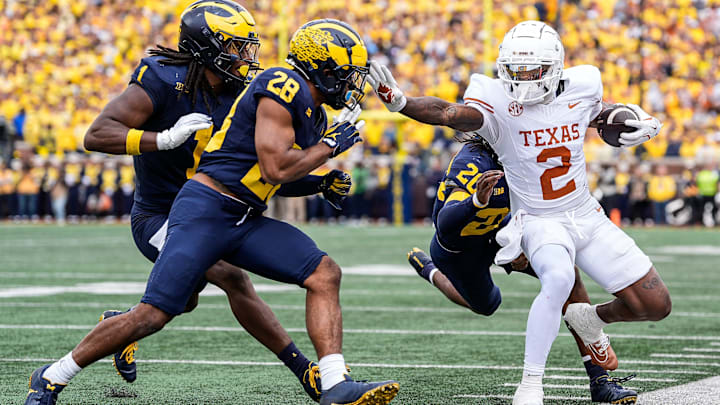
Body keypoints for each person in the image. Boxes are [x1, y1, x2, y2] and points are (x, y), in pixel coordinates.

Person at [26, 17, 399, 405]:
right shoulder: (280, 84)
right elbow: (274, 167)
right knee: (154, 314)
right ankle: (52, 377)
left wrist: (320, 180)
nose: (350, 85)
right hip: (203, 211)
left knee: (324, 274)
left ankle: (334, 384)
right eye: (345, 75)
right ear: (321, 67)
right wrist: (328, 148)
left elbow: (264, 173)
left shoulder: (311, 112)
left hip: (242, 216)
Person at [368, 20, 670, 405]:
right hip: (475, 240)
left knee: (577, 285)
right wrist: (402, 104)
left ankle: (598, 375)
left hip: (554, 218)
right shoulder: (478, 148)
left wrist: (630, 120)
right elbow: (449, 120)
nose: (524, 80)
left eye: (532, 71)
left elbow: (592, 113)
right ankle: (432, 273)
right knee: (491, 302)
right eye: (516, 72)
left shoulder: (578, 87)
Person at [406, 136, 636, 403]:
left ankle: (600, 380)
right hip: (459, 250)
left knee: (567, 275)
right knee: (487, 304)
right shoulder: (473, 161)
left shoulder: (525, 155)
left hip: (499, 230)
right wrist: (477, 202)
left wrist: (521, 241)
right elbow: (446, 223)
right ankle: (432, 272)